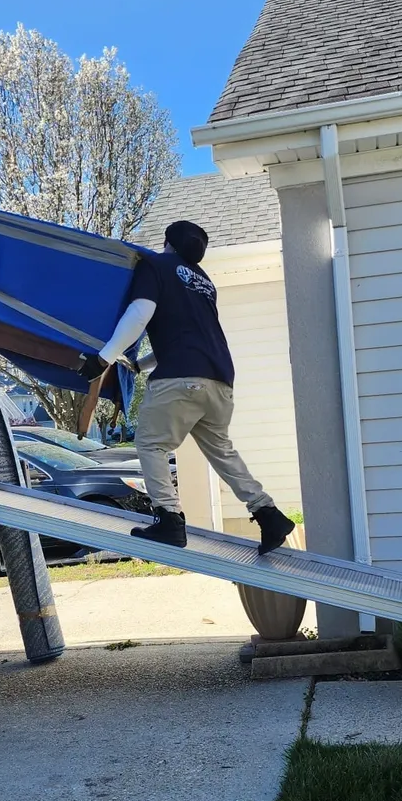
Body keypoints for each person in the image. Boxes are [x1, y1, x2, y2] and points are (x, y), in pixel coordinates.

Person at [79, 219, 296, 553]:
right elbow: (188, 335)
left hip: (180, 380)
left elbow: (140, 314)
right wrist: (141, 364)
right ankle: (268, 515)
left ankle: (168, 520)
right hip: (219, 382)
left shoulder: (156, 264)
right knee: (222, 452)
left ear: (168, 242)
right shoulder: (205, 282)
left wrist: (103, 358)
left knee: (152, 444)